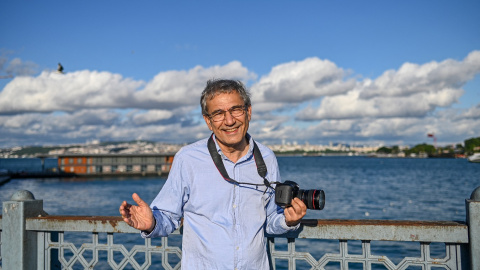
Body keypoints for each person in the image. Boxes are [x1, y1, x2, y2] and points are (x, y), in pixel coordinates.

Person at [119, 79, 307, 269]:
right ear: (208, 121)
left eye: (236, 109)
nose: (230, 120)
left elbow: (269, 220)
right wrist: (151, 223)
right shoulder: (188, 158)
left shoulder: (266, 157)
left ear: (248, 111)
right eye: (218, 114)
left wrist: (288, 220)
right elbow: (168, 216)